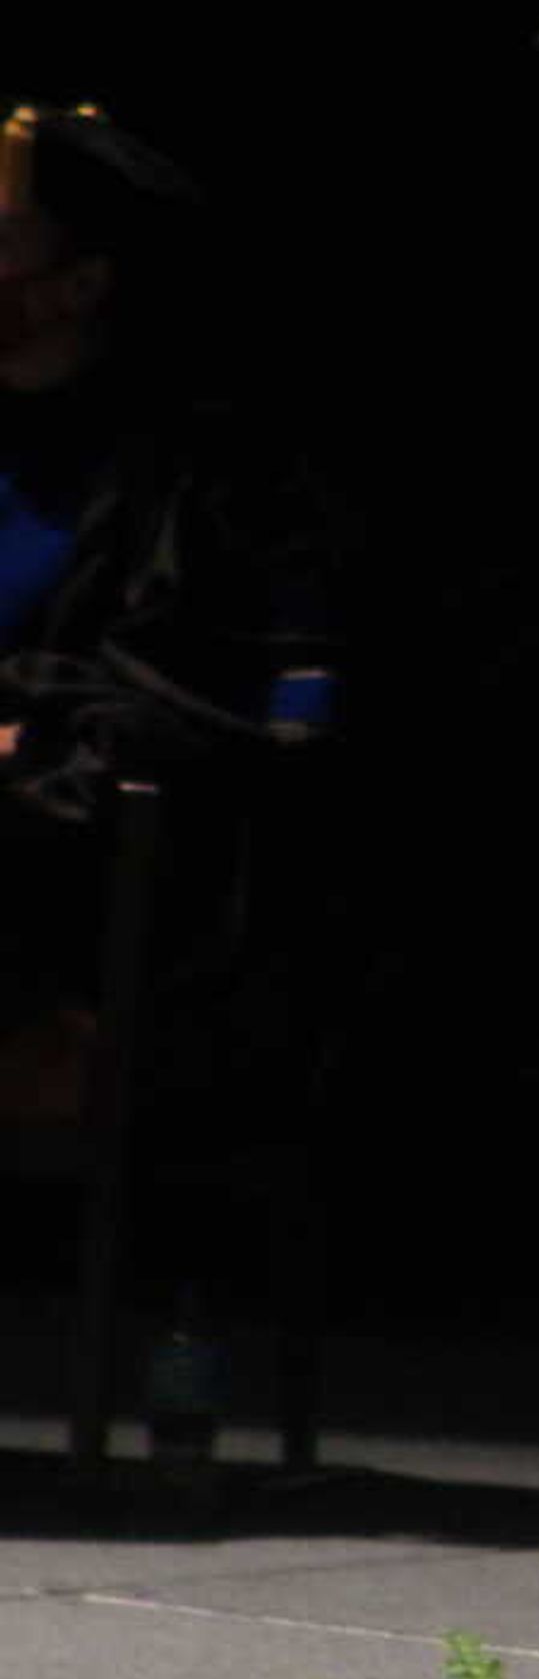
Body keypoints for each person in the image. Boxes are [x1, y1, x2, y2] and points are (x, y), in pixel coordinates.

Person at [1, 101, 336, 1123]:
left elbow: (202, 711)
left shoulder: (205, 486)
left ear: (83, 284)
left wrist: (21, 740)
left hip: (84, 928)